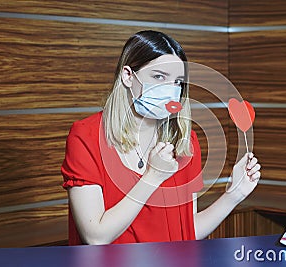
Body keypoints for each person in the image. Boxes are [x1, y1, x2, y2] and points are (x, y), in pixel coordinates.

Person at [61, 30, 261, 245]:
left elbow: (187, 230)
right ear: (128, 76)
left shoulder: (185, 141)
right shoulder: (86, 137)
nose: (170, 90)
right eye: (159, 77)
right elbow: (95, 237)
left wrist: (233, 195)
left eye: (177, 82)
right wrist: (152, 177)